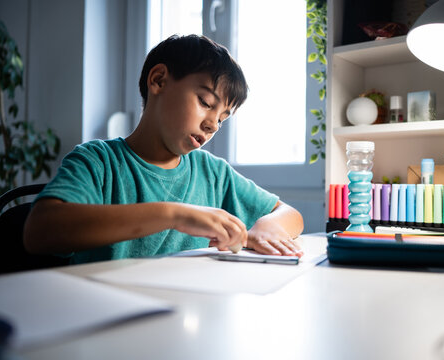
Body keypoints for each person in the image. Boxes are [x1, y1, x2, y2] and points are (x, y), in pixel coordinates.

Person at [24, 34, 304, 264]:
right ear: (158, 80)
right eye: (206, 103)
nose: (213, 126)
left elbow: (290, 214)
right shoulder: (98, 162)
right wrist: (175, 215)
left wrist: (269, 226)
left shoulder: (212, 172)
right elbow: (39, 231)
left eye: (222, 118)